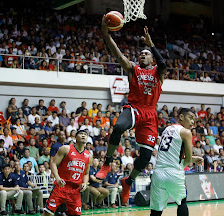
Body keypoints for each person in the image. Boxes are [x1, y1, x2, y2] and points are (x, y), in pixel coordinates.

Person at [96, 16, 166, 206]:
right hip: (134, 108)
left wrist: (151, 45)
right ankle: (107, 163)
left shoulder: (159, 73)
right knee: (118, 127)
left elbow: (164, 64)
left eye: (146, 53)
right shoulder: (133, 69)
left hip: (150, 114)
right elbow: (117, 54)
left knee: (144, 158)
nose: (142, 55)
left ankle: (128, 181)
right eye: (141, 53)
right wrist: (106, 35)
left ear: (152, 58)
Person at [150, 108, 203, 216]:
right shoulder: (186, 132)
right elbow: (187, 160)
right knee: (182, 203)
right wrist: (189, 160)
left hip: (158, 173)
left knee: (156, 210)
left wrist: (192, 158)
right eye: (190, 118)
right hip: (174, 172)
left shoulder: (167, 129)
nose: (192, 122)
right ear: (181, 117)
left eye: (194, 119)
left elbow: (171, 153)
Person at [42, 130, 92, 216]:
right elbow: (53, 163)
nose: (83, 136)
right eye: (81, 134)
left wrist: (84, 183)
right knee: (48, 214)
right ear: (75, 137)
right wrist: (57, 178)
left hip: (75, 190)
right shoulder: (66, 148)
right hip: (61, 186)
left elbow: (86, 173)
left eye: (85, 134)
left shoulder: (89, 156)